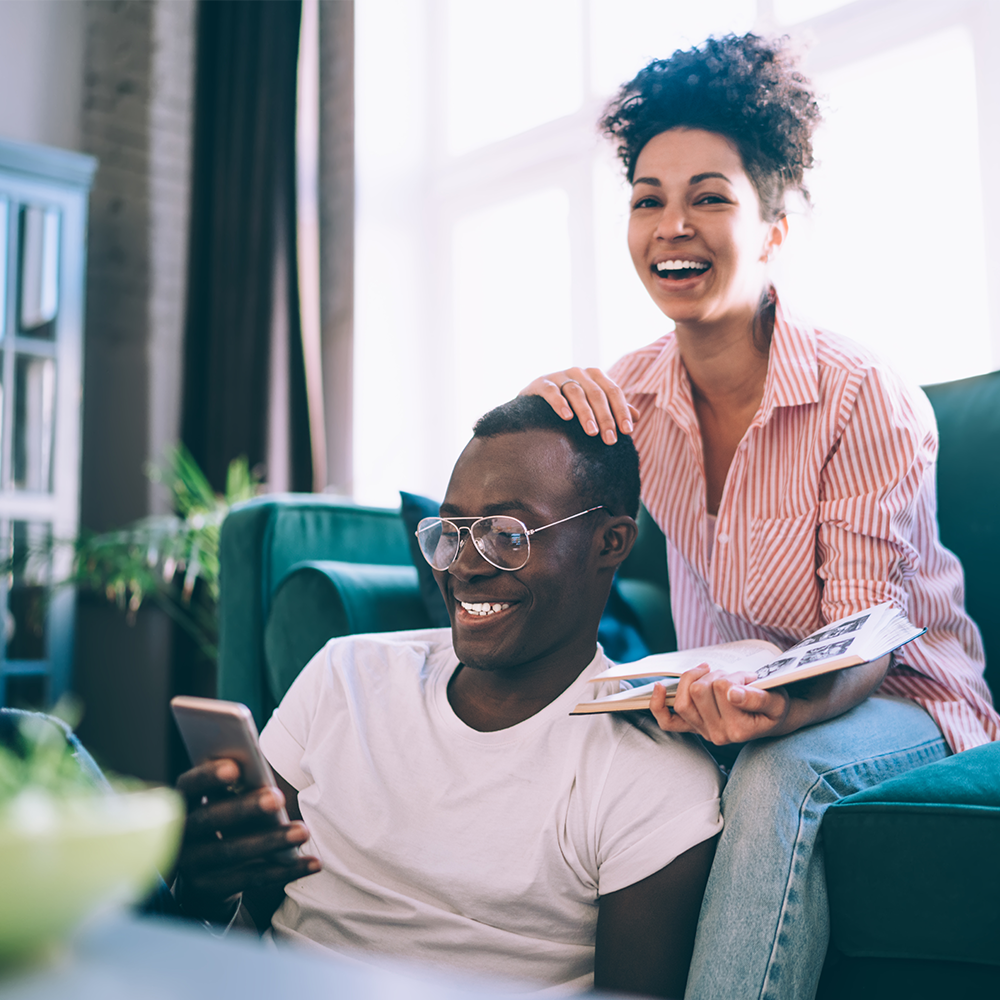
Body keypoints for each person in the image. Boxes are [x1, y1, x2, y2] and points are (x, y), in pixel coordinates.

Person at [521, 32, 1000, 1000]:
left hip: (895, 698)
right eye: (648, 199)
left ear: (773, 226)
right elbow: (530, 539)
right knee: (576, 746)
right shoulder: (628, 398)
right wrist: (535, 416)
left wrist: (780, 715)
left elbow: (867, 634)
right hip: (721, 691)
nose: (671, 226)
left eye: (709, 196)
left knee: (778, 776)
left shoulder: (862, 390)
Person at [174, 395, 724, 998]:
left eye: (507, 536)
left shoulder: (648, 772)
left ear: (611, 542)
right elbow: (231, 914)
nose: (463, 566)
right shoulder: (346, 674)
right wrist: (204, 893)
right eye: (450, 532)